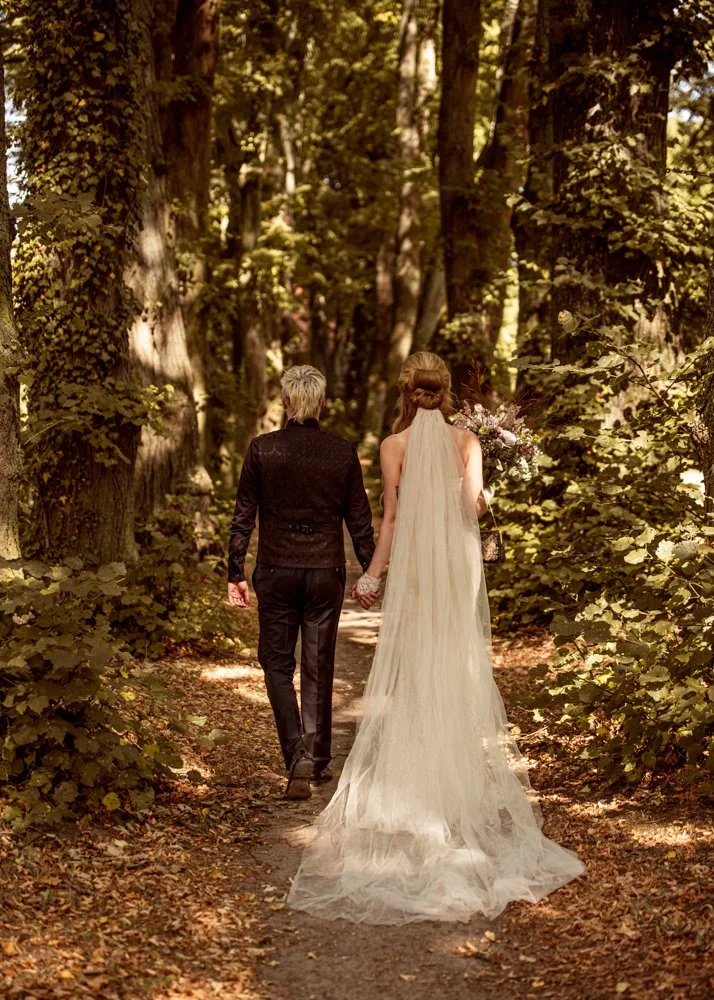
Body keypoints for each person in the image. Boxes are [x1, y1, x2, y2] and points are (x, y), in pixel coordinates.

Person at [287, 351, 586, 924]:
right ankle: (457, 789)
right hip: (456, 566)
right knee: (457, 664)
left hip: (420, 570)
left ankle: (416, 781)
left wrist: (372, 574)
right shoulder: (468, 442)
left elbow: (393, 518)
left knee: (416, 667)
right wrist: (485, 494)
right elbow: (473, 507)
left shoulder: (391, 446)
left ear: (405, 391)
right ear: (445, 391)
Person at [227, 365, 375, 801]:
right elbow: (360, 524)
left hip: (275, 570)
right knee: (318, 663)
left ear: (286, 404)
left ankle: (296, 755)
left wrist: (235, 571)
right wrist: (369, 573)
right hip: (324, 572)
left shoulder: (262, 450)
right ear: (322, 404)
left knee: (275, 663)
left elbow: (243, 517)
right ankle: (317, 755)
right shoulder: (342, 452)